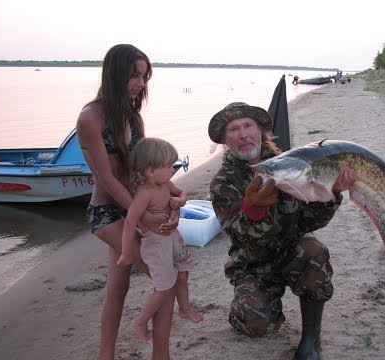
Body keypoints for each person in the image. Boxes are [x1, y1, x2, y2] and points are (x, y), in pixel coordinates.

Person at [208, 102, 357, 360]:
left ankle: (311, 340)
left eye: (248, 126)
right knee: (257, 326)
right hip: (253, 263)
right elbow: (239, 236)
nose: (243, 135)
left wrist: (331, 194)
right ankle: (246, 307)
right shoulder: (223, 182)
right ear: (224, 139)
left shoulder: (292, 163)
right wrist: (255, 210)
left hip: (291, 251)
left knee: (313, 251)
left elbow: (308, 222)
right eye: (233, 129)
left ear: (260, 131)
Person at [76, 44, 178, 360]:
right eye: (134, 75)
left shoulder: (133, 118)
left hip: (133, 207)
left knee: (117, 288)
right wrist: (142, 215)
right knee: (167, 280)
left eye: (144, 76)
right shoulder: (90, 118)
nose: (140, 83)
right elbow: (106, 177)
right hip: (107, 214)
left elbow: (142, 171)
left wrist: (173, 196)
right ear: (115, 72)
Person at [117, 137, 203, 341]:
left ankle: (184, 309)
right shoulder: (144, 194)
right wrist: (126, 252)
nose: (172, 169)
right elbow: (130, 223)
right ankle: (140, 321)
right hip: (157, 244)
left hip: (173, 238)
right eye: (167, 166)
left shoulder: (165, 183)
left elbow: (181, 193)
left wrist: (181, 201)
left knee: (183, 275)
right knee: (164, 288)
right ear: (150, 171)